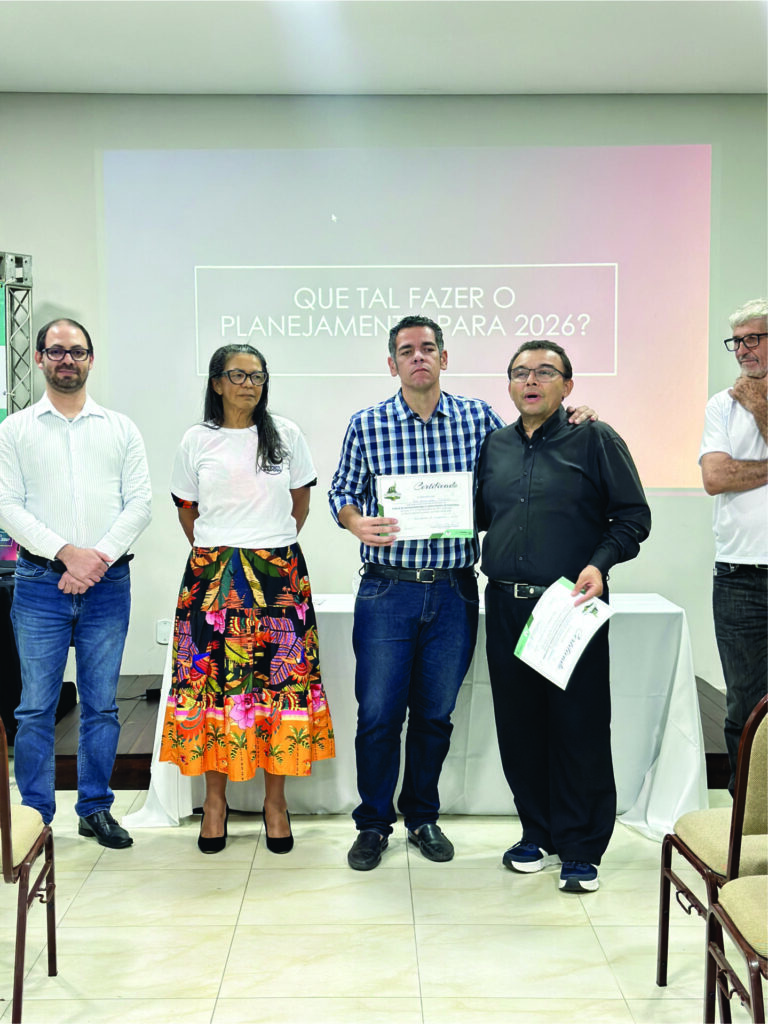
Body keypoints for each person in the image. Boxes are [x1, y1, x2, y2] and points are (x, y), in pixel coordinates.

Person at [329, 316, 595, 871]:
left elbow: (531, 442)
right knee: (378, 716)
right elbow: (342, 492)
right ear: (393, 364)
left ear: (444, 359)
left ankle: (421, 817)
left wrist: (578, 416)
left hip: (454, 591)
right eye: (407, 350)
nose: (418, 357)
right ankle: (373, 823)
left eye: (428, 348)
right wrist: (355, 521)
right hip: (388, 589)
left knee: (435, 715)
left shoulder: (478, 418)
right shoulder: (367, 423)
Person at [476, 340, 650, 893]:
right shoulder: (495, 446)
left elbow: (633, 518)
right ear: (509, 385)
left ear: (568, 386)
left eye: (545, 372)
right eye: (520, 372)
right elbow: (478, 515)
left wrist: (600, 564)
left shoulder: (595, 438)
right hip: (505, 603)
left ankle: (580, 848)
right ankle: (537, 833)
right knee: (519, 726)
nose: (531, 380)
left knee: (578, 727)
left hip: (570, 604)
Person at [159, 343, 334, 854]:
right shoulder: (197, 439)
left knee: (281, 686)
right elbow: (187, 509)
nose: (249, 385)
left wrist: (265, 548)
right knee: (213, 686)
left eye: (257, 376)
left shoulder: (287, 435)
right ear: (216, 383)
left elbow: (300, 504)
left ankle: (275, 804)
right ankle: (214, 804)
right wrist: (222, 551)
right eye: (237, 375)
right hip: (212, 576)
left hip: (278, 575)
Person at [0, 318, 151, 848]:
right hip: (40, 585)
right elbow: (6, 506)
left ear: (91, 358)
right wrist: (68, 555)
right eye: (57, 351)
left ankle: (95, 809)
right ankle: (35, 817)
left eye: (77, 351)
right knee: (34, 708)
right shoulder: (15, 430)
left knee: (102, 705)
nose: (67, 359)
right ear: (41, 358)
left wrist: (96, 561)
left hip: (107, 585)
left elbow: (140, 504)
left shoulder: (120, 428)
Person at [699, 298, 768, 795]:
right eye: (737, 341)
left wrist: (760, 405)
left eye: (754, 338)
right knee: (744, 702)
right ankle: (746, 816)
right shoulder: (722, 404)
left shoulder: (747, 401)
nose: (743, 349)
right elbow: (716, 477)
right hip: (739, 575)